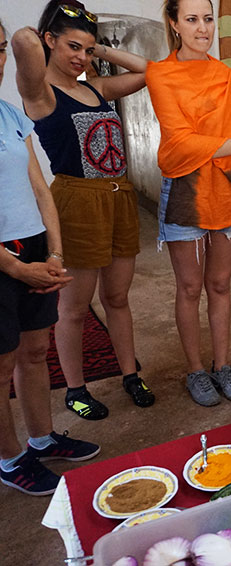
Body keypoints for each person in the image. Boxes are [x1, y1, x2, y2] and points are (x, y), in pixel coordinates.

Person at [11, 0, 153, 420]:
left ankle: (129, 373)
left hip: (119, 198)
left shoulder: (94, 87)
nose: (80, 57)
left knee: (118, 297)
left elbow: (148, 73)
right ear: (49, 40)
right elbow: (21, 41)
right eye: (72, 46)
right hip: (77, 201)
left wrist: (99, 53)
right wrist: (40, 33)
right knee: (74, 307)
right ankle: (76, 388)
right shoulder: (40, 94)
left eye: (87, 50)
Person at [0, 19, 99, 496]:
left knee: (35, 353)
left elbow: (40, 188)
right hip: (4, 258)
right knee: (1, 367)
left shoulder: (8, 115)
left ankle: (41, 439)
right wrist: (16, 266)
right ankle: (9, 458)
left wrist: (55, 252)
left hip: (36, 245)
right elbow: (25, 39)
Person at [146, 0, 231, 407]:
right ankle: (195, 370)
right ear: (174, 24)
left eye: (208, 19)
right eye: (191, 20)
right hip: (185, 194)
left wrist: (229, 144)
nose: (202, 28)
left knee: (220, 284)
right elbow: (178, 143)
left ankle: (222, 365)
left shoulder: (228, 76)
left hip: (226, 189)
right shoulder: (161, 74)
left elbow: (227, 132)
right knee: (190, 287)